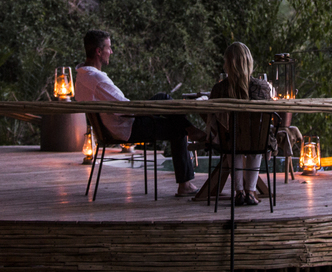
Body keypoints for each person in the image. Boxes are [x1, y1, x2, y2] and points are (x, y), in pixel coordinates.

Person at [74, 30, 199, 196]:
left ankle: (192, 130)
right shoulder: (97, 79)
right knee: (178, 129)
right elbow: (127, 109)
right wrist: (146, 111)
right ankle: (186, 183)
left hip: (113, 126)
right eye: (109, 48)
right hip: (127, 128)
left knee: (163, 98)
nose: (111, 52)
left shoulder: (81, 76)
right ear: (98, 51)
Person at [208, 42, 272, 206]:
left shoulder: (218, 90)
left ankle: (238, 192)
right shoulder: (262, 88)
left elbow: (213, 120)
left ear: (227, 64)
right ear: (249, 62)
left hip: (229, 144)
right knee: (257, 140)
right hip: (257, 143)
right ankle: (251, 191)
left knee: (231, 144)